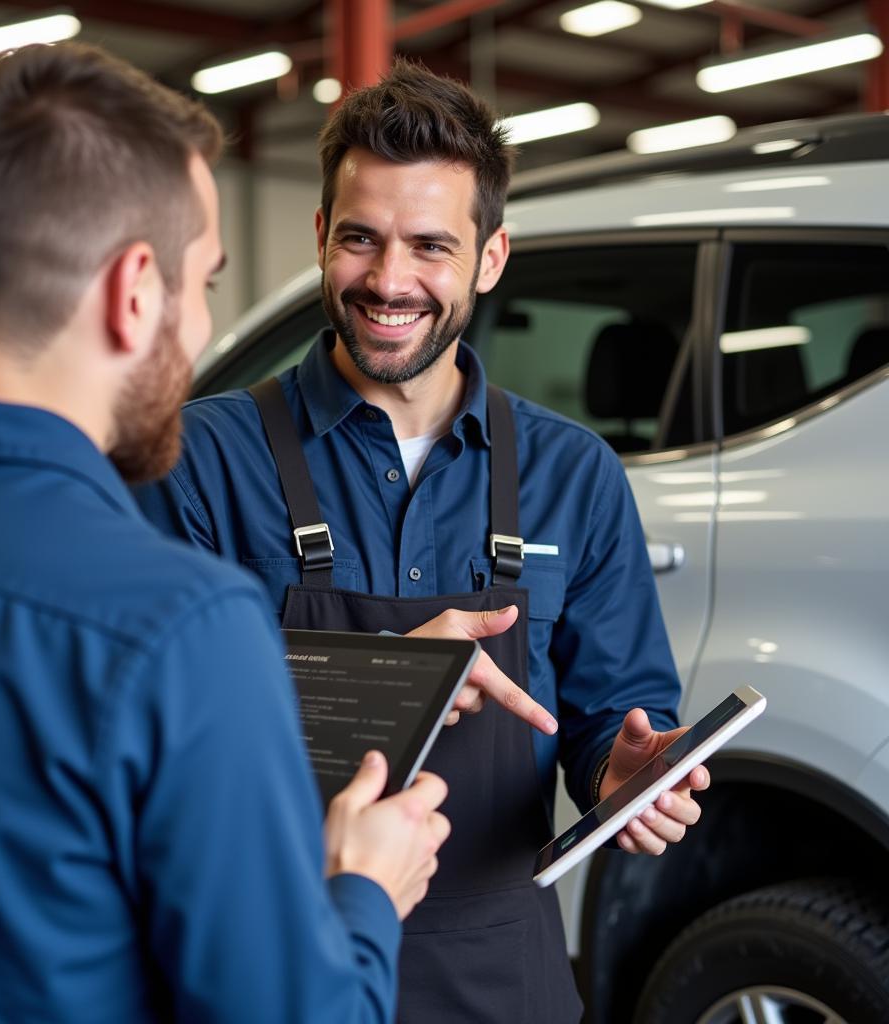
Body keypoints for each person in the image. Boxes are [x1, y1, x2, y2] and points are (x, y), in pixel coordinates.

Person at [0, 43, 453, 1024]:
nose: (198, 331)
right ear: (136, 291)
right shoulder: (175, 626)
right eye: (204, 283)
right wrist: (362, 890)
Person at [135, 60, 711, 1023]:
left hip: (508, 985)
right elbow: (164, 741)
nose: (390, 281)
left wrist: (624, 772)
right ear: (321, 238)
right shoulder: (201, 461)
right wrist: (394, 688)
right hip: (276, 972)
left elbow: (612, 712)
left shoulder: (576, 476)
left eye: (431, 247)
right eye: (361, 239)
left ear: (489, 258)